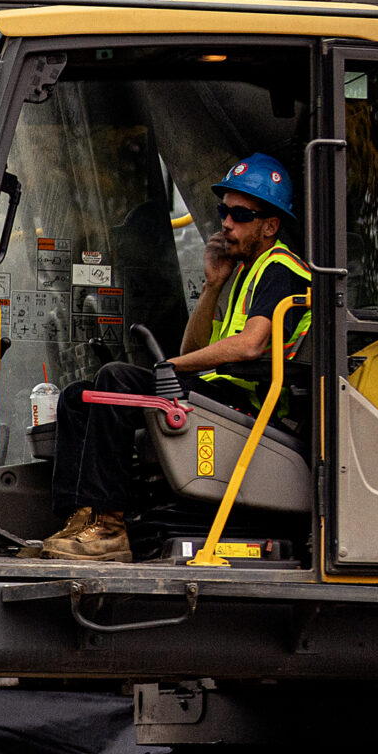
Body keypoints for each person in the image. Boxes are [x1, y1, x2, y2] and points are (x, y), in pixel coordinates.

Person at [43, 153, 314, 561]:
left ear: (270, 225)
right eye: (224, 211)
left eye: (240, 214)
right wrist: (212, 285)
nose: (225, 223)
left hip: (250, 405)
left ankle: (110, 529)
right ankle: (81, 519)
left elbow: (249, 345)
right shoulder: (245, 271)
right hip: (217, 393)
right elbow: (193, 351)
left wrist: (171, 369)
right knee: (80, 396)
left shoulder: (282, 269)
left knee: (117, 380)